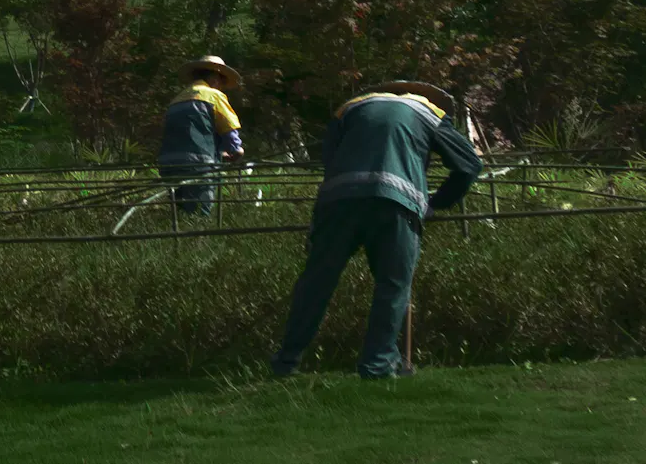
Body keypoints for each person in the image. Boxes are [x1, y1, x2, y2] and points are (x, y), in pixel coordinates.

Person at [268, 79, 481, 379]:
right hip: (396, 203)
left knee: (317, 282)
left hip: (338, 200)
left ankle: (286, 361)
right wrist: (437, 203)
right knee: (392, 285)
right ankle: (377, 363)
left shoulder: (349, 109)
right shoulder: (428, 112)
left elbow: (328, 159)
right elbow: (469, 165)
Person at [156, 57, 250, 216]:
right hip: (198, 163)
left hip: (168, 163)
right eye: (221, 83)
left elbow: (191, 132)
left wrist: (220, 152)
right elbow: (228, 128)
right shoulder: (213, 95)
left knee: (180, 211)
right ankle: (199, 230)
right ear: (214, 78)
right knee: (200, 210)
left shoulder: (176, 99)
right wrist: (236, 149)